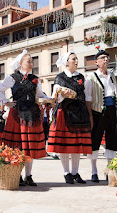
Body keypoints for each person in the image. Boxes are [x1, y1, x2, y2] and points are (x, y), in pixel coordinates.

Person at [0, 49, 47, 186]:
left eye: (32, 61)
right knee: (17, 145)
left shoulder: (35, 79)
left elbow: (39, 95)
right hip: (17, 113)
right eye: (28, 61)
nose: (31, 63)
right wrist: (6, 102)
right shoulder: (13, 77)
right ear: (20, 63)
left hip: (32, 113)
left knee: (29, 146)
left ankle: (28, 176)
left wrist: (51, 99)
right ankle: (16, 173)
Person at [47, 52, 92, 184]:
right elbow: (55, 95)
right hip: (65, 113)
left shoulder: (82, 77)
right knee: (64, 145)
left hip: (79, 113)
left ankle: (75, 172)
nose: (76, 61)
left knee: (77, 144)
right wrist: (62, 94)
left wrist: (89, 114)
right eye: (73, 59)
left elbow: (87, 96)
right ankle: (66, 173)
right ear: (66, 62)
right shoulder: (60, 77)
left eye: (77, 59)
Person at [86, 49, 117, 182]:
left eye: (107, 58)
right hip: (97, 112)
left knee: (112, 141)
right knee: (95, 141)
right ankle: (94, 171)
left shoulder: (112, 76)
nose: (106, 60)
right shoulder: (91, 77)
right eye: (103, 58)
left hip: (112, 111)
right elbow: (88, 98)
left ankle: (110, 171)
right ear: (97, 62)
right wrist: (90, 117)